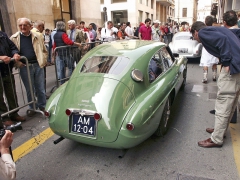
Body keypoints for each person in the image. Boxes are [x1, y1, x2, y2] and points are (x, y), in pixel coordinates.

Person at [190, 19, 240, 148]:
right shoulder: (217, 29)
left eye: (194, 36)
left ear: (196, 32)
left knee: (224, 102)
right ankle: (220, 131)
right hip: (237, 67)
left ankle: (217, 139)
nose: (196, 39)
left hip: (232, 68)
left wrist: (227, 61)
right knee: (231, 101)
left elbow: (222, 41)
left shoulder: (203, 32)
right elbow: (236, 33)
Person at [10, 17, 48, 115]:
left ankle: (42, 106)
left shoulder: (38, 36)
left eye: (25, 25)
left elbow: (44, 49)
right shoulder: (14, 38)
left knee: (40, 87)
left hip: (37, 64)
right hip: (25, 67)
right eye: (20, 25)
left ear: (30, 26)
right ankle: (32, 107)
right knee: (29, 89)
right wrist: (17, 63)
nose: (22, 27)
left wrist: (43, 59)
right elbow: (12, 53)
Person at [0, 31, 26, 126]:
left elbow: (12, 47)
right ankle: (4, 117)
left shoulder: (2, 35)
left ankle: (14, 113)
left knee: (11, 94)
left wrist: (15, 54)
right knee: (0, 98)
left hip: (7, 70)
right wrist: (1, 57)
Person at [199, 16, 219, 83]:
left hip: (206, 47)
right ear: (212, 22)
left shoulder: (203, 30)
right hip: (213, 47)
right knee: (214, 62)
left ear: (205, 22)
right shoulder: (215, 29)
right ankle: (214, 76)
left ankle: (205, 78)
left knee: (205, 62)